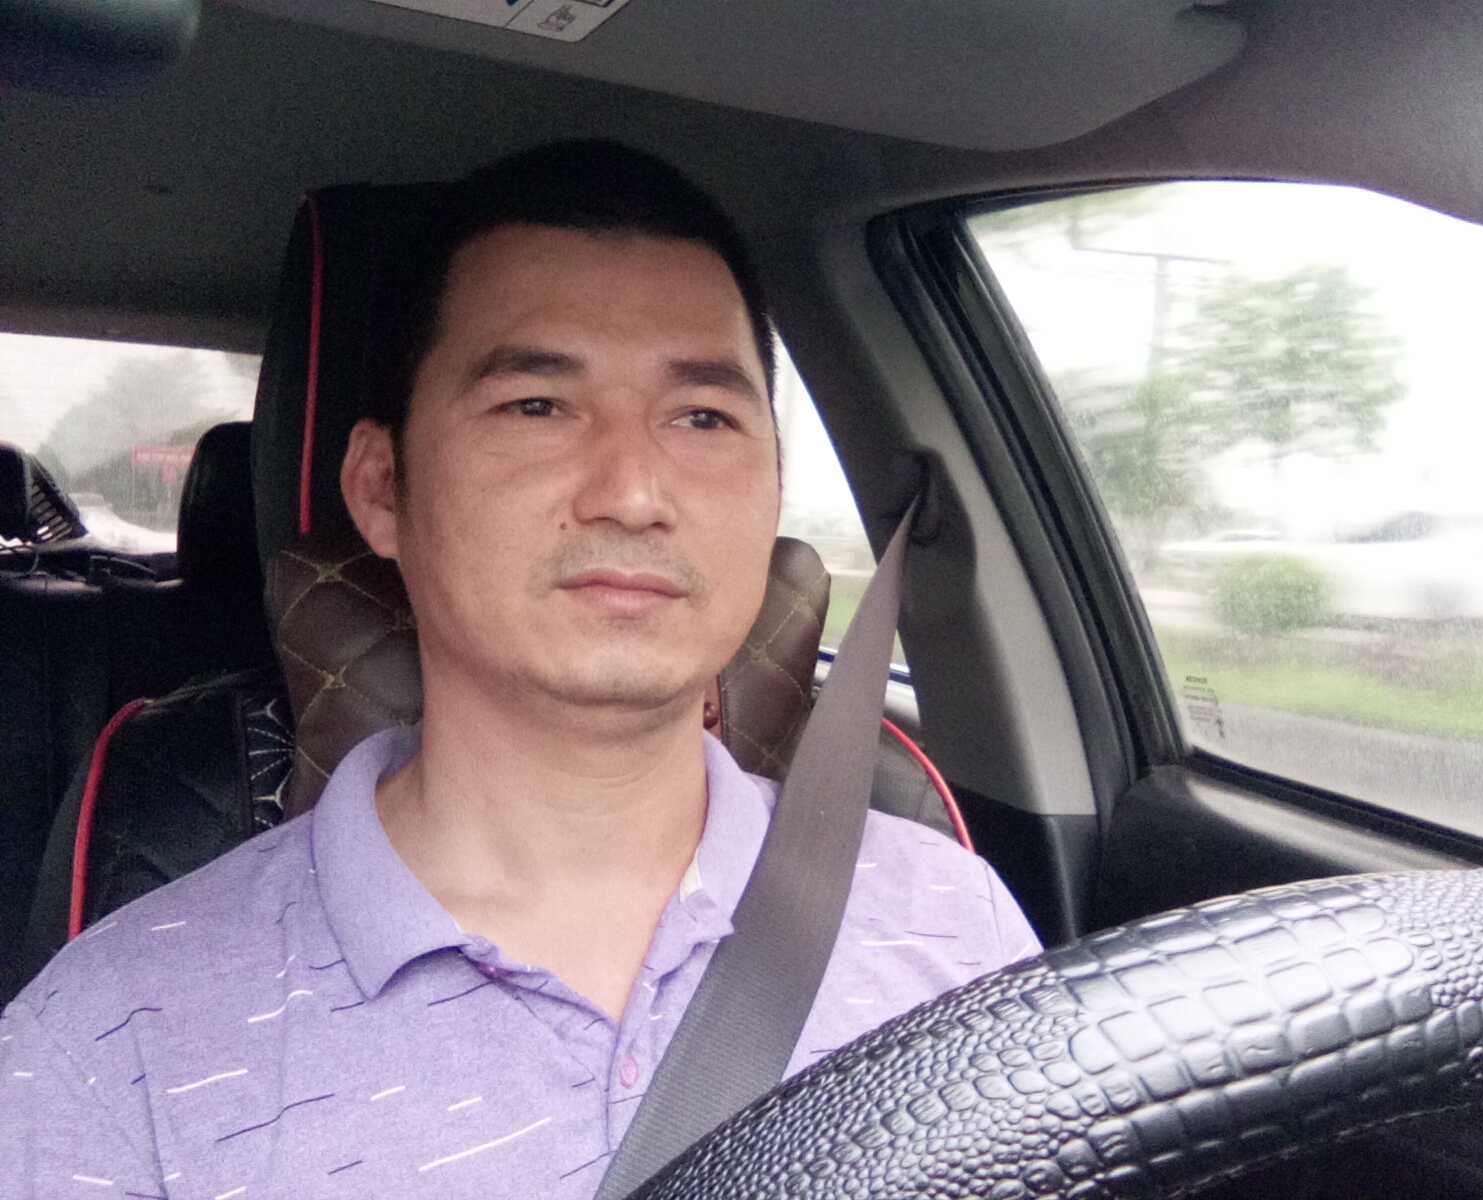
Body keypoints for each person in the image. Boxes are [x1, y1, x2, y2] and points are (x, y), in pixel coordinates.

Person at [0, 142, 1040, 1197]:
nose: (633, 492)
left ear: (773, 487)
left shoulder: (955, 928)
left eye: (703, 417)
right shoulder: (113, 1051)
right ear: (381, 487)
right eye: (537, 405)